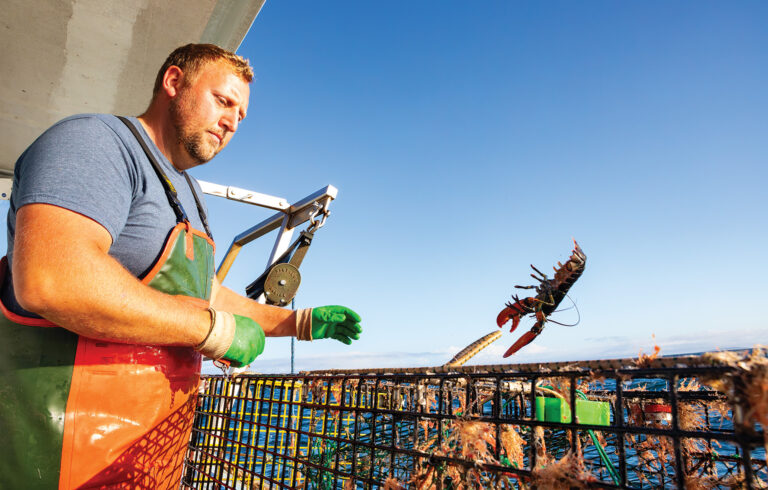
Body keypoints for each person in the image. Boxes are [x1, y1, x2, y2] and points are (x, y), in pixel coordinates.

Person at [0, 44, 362, 489]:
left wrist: (297, 321)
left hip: (149, 462)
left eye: (241, 117)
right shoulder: (95, 143)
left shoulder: (188, 193)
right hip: (56, 460)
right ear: (173, 83)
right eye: (223, 101)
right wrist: (215, 332)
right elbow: (52, 279)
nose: (231, 122)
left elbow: (203, 295)